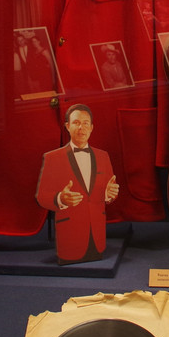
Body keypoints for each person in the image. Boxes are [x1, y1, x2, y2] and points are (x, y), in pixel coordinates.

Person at [35, 103, 119, 263]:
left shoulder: (103, 157)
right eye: (76, 123)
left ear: (92, 127)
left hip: (97, 238)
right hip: (69, 239)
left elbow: (106, 193)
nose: (81, 128)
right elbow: (41, 196)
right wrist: (60, 198)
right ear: (67, 126)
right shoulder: (53, 158)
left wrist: (108, 195)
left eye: (85, 123)